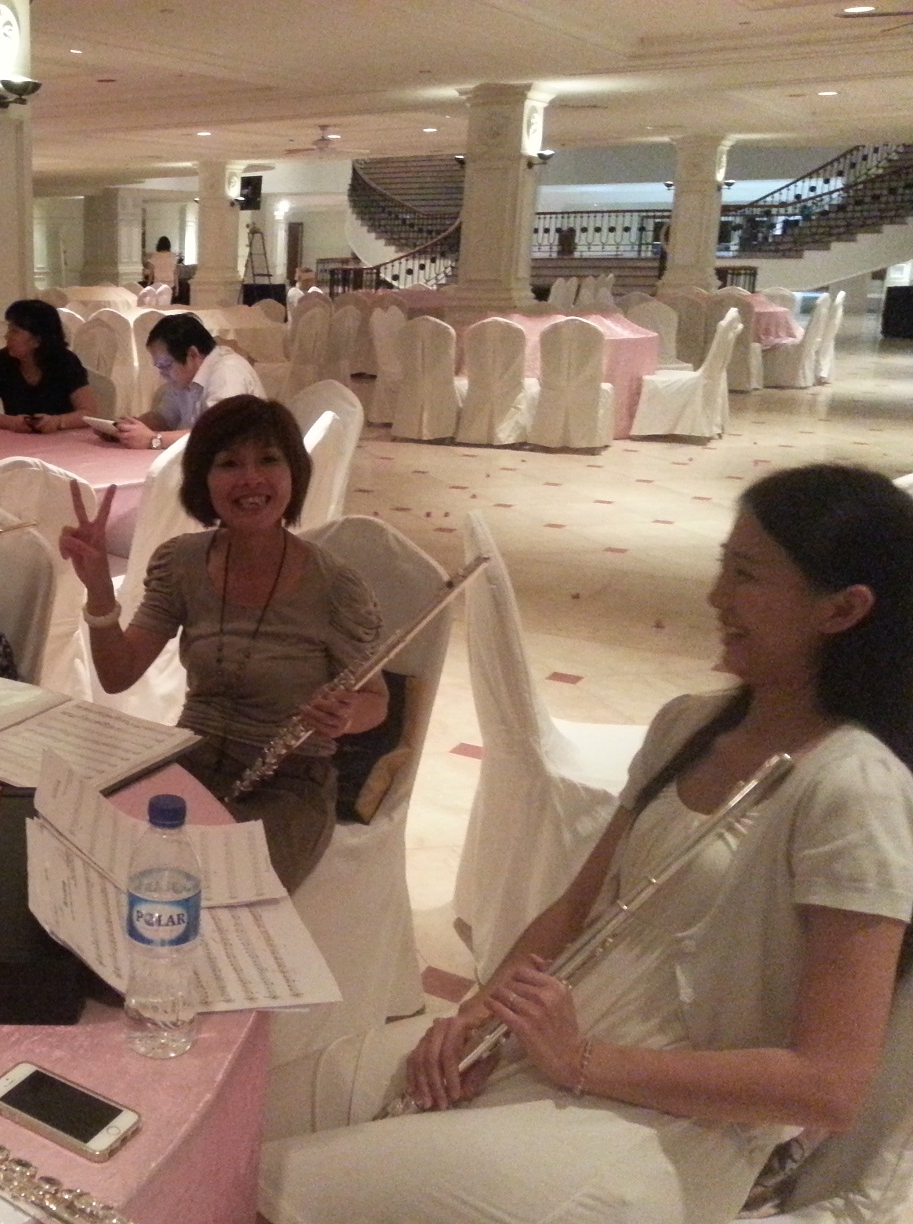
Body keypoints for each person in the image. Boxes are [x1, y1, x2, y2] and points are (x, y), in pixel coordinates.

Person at [259, 463, 913, 1224]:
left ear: (843, 609)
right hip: (541, 1045)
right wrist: (476, 1012)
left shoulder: (855, 789)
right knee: (245, 1113)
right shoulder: (689, 722)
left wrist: (581, 1060)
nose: (716, 597)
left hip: (664, 1127)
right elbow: (575, 910)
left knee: (271, 1188)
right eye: (723, 566)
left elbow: (829, 1087)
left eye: (746, 575)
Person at [61, 395, 388, 889]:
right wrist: (100, 591)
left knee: (201, 884)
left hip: (288, 785)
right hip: (189, 764)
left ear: (294, 473)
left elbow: (377, 701)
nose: (250, 479)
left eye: (269, 460)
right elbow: (117, 674)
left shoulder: (334, 586)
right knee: (91, 857)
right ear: (203, 480)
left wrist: (345, 717)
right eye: (229, 464)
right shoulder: (181, 563)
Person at [113, 313, 262, 451]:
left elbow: (218, 434)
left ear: (192, 354)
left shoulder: (228, 372)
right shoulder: (186, 377)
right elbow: (163, 418)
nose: (162, 374)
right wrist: (128, 428)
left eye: (165, 365)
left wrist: (154, 440)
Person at [0, 299, 99, 435]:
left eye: (14, 331)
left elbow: (88, 412)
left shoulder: (65, 362)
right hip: (16, 441)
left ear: (37, 340)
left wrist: (58, 421)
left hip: (62, 439)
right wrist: (11, 422)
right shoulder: (2, 361)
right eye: (9, 329)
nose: (6, 336)